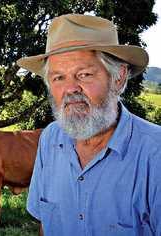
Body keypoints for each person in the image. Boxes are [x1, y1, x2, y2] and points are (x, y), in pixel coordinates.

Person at [17, 14, 161, 236]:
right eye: (58, 78)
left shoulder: (155, 154)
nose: (71, 89)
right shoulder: (50, 139)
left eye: (83, 74)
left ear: (119, 77)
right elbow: (45, 227)